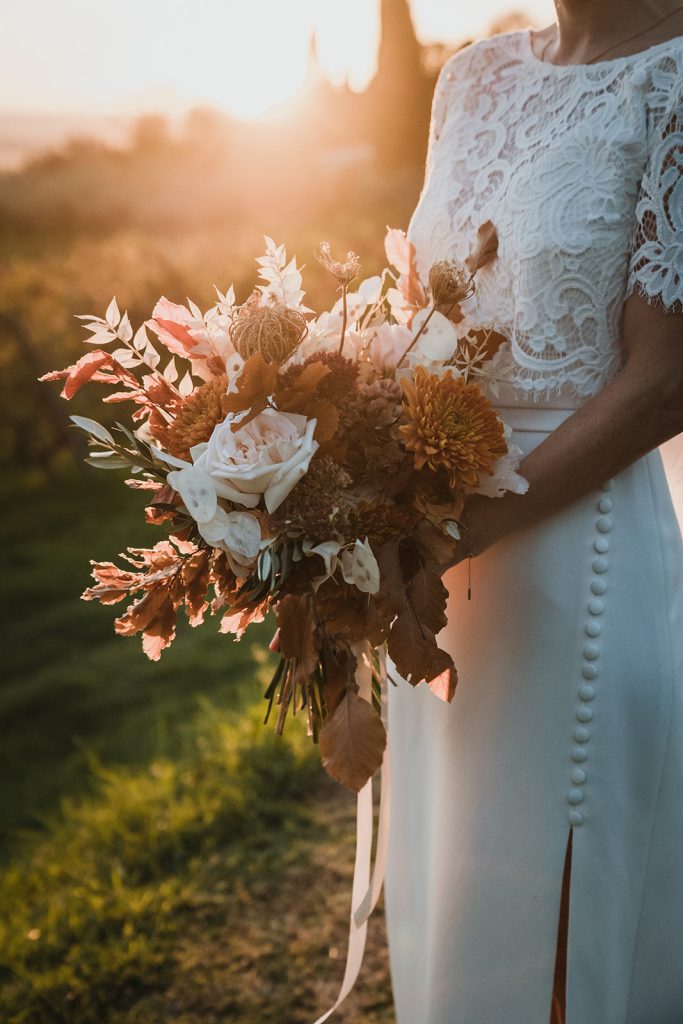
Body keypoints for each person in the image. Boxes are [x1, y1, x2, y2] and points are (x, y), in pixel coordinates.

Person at [383, 3, 683, 1022]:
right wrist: (349, 483)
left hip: (577, 560)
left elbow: (663, 383)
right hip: (432, 568)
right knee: (459, 905)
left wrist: (454, 531)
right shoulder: (469, 77)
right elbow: (419, 313)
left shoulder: (674, 77)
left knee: (555, 940)